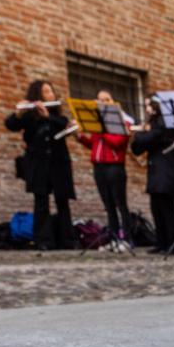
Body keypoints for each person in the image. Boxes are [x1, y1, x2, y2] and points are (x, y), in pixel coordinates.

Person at [5, 79, 76, 250]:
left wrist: (48, 117)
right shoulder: (29, 117)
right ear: (37, 95)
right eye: (46, 91)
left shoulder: (59, 117)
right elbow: (11, 125)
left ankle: (67, 239)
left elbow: (63, 126)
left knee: (62, 200)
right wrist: (17, 113)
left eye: (51, 91)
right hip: (38, 163)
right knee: (41, 201)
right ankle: (43, 240)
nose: (50, 94)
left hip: (59, 163)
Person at [76, 90, 133, 248]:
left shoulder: (123, 122)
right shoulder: (96, 125)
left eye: (107, 100)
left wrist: (102, 129)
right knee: (108, 205)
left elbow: (117, 143)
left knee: (120, 203)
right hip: (98, 166)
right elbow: (94, 145)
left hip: (114, 167)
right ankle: (113, 238)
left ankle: (127, 239)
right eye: (100, 100)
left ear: (113, 102)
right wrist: (80, 137)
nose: (103, 103)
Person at [130, 94, 174, 255]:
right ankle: (162, 243)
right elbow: (137, 148)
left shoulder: (165, 124)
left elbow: (152, 137)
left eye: (148, 105)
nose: (146, 109)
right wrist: (141, 133)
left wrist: (141, 132)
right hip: (155, 173)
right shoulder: (153, 125)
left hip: (166, 173)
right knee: (156, 209)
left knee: (167, 210)